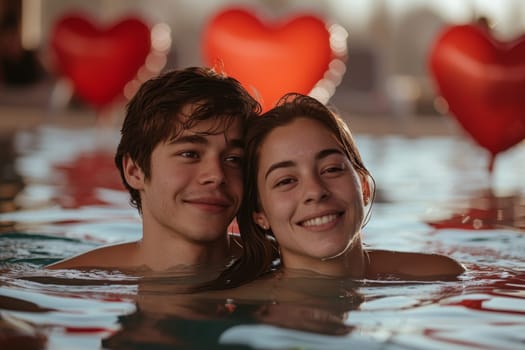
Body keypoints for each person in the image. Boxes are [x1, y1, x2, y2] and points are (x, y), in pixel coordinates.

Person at [210, 93, 465, 289]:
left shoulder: (440, 276)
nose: (315, 191)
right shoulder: (234, 303)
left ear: (363, 186)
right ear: (259, 214)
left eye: (331, 169)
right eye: (286, 181)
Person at [46, 67, 261, 273]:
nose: (216, 175)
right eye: (190, 154)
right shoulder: (61, 283)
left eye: (234, 159)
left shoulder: (277, 265)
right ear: (134, 171)